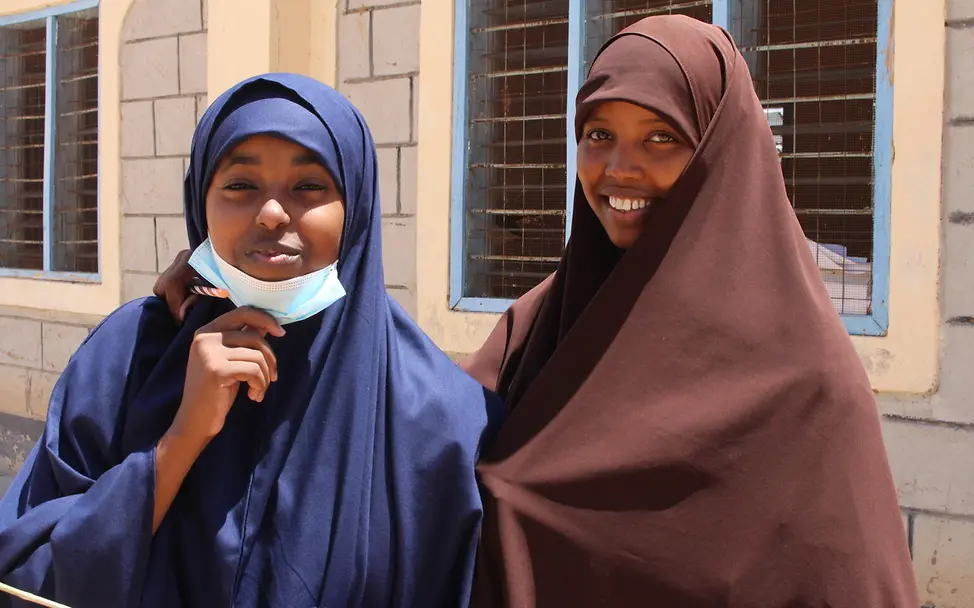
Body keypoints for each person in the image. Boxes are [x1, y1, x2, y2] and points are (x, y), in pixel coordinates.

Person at [153, 17, 919, 607]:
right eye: (597, 135)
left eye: (662, 137)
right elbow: (411, 420)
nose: (621, 168)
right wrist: (233, 273)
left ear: (722, 155)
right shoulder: (546, 326)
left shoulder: (804, 383)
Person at [0, 74, 503, 608]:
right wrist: (179, 442)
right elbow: (25, 576)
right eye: (240, 186)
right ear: (201, 202)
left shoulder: (439, 421)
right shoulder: (126, 361)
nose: (271, 213)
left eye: (310, 186)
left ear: (355, 206)